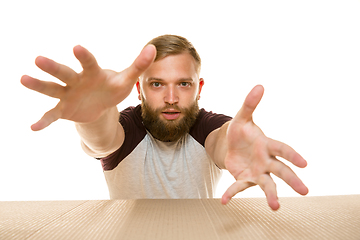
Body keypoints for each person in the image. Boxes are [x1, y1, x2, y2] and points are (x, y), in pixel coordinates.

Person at [21, 34, 308, 210]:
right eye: (157, 84)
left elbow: (223, 141)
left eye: (183, 84)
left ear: (199, 87)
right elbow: (103, 138)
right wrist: (94, 116)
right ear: (139, 88)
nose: (171, 98)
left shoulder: (207, 126)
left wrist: (238, 145)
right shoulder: (127, 128)